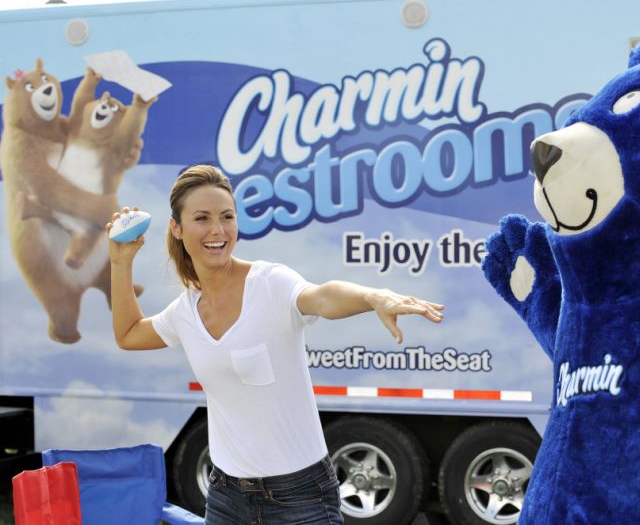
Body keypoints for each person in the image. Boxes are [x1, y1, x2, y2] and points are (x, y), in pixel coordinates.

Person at [107, 164, 444, 524]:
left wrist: (373, 296)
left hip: (302, 498)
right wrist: (119, 261)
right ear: (177, 228)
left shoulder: (270, 283)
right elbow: (128, 334)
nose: (218, 230)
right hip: (226, 497)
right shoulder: (185, 311)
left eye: (227, 217)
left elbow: (323, 297)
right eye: (202, 218)